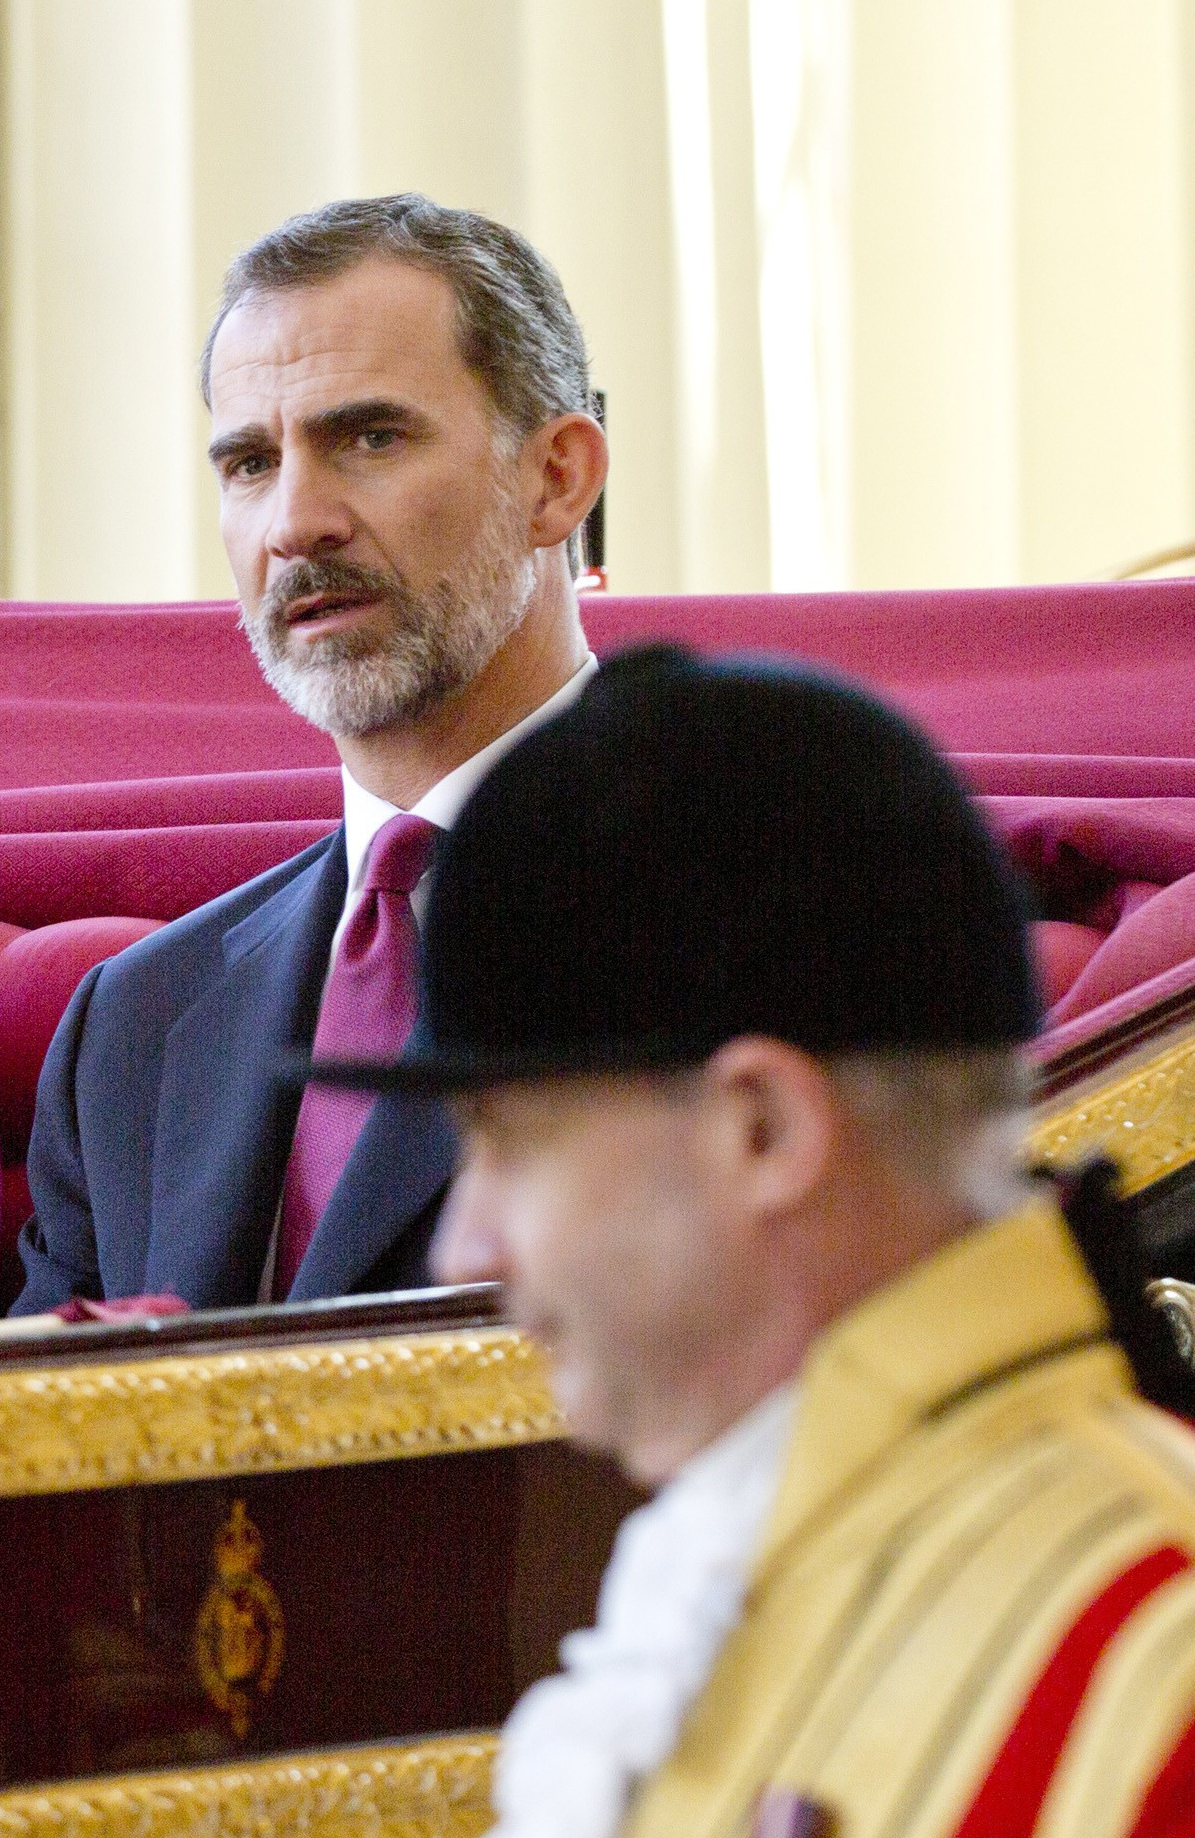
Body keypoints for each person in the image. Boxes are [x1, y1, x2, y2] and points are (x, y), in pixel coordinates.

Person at [307, 644, 1195, 1838]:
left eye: (508, 1142)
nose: (468, 1247)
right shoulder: (759, 1567)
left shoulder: (1151, 1659)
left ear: (764, 1128)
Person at [13, 194, 608, 1311]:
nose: (296, 521)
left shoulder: (751, 913)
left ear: (557, 478)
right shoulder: (132, 1025)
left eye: (370, 437)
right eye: (247, 462)